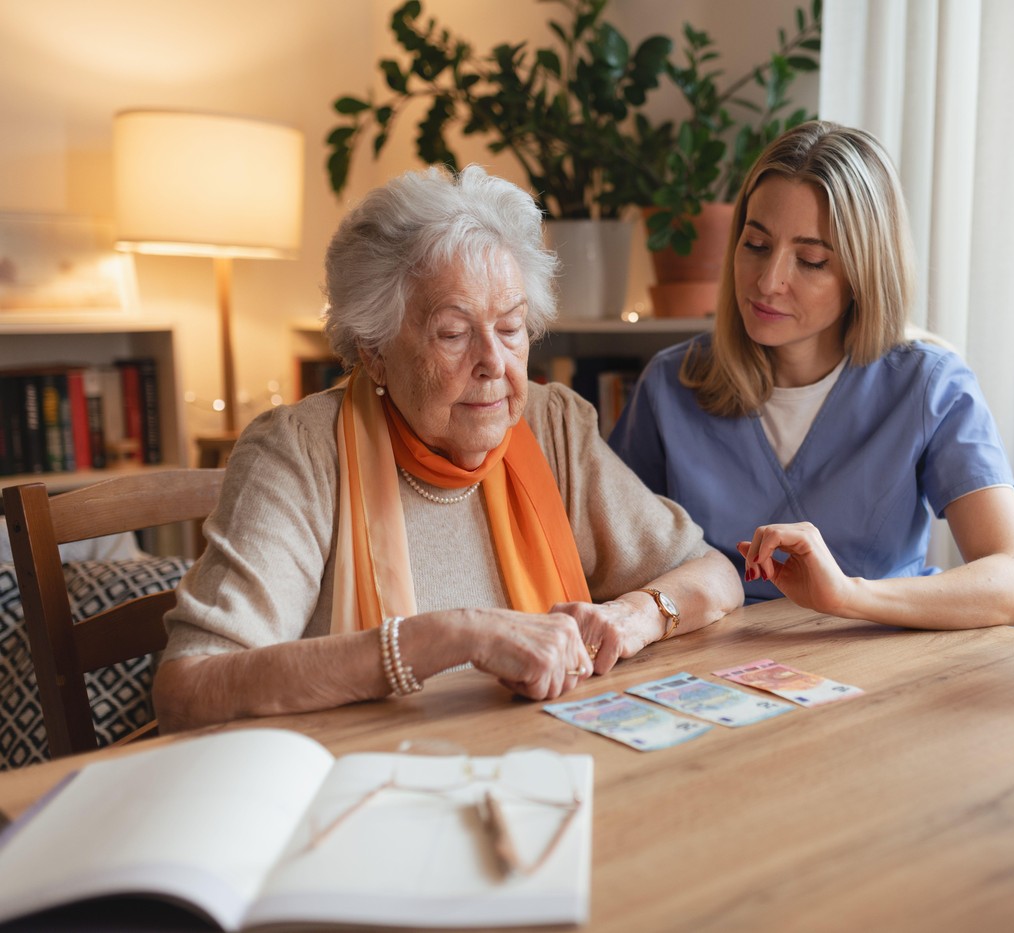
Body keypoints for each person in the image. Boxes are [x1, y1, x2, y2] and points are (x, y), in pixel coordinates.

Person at [153, 165, 743, 732]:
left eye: (510, 328)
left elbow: (714, 574)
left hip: (544, 758)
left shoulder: (551, 424)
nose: (494, 363)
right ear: (374, 351)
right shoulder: (299, 453)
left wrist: (633, 616)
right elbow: (190, 691)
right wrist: (449, 636)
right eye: (453, 333)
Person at [608, 121, 1014, 630]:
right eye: (756, 244)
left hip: (881, 656)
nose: (768, 281)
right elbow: (606, 557)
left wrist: (848, 595)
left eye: (811, 260)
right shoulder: (670, 385)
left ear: (863, 274)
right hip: (715, 664)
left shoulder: (931, 387)